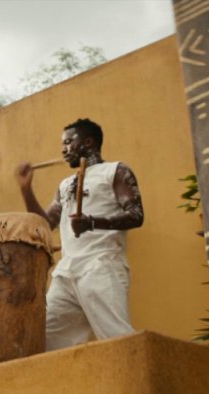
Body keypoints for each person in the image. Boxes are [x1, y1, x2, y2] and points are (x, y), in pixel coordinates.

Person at [16, 118, 144, 349]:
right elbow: (45, 224)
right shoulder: (65, 184)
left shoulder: (115, 171)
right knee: (43, 340)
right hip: (66, 273)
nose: (63, 150)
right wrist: (26, 189)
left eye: (68, 142)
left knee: (116, 337)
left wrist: (91, 223)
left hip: (101, 265)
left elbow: (136, 215)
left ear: (88, 142)